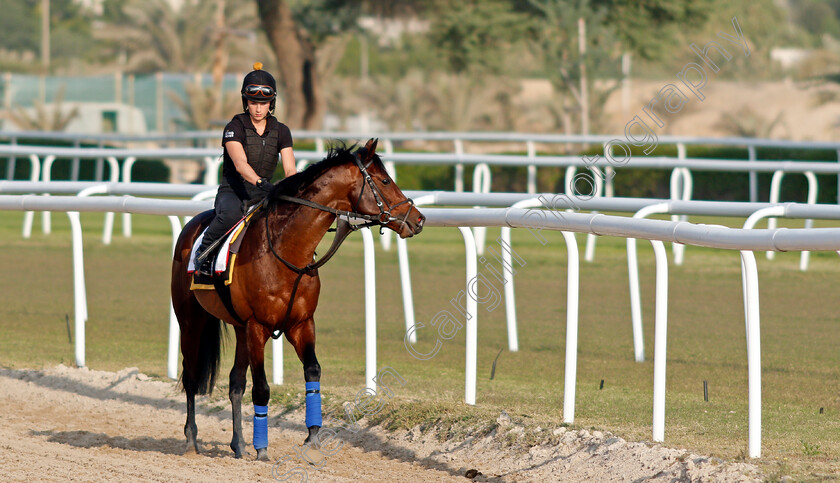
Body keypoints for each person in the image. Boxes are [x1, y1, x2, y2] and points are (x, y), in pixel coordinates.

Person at [194, 62, 297, 276]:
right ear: (246, 102)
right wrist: (262, 183)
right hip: (234, 192)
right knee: (230, 215)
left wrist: (293, 190)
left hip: (265, 192)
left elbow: (290, 169)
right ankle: (203, 254)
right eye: (253, 102)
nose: (258, 108)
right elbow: (240, 164)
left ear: (272, 103)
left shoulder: (283, 131)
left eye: (264, 103)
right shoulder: (234, 128)